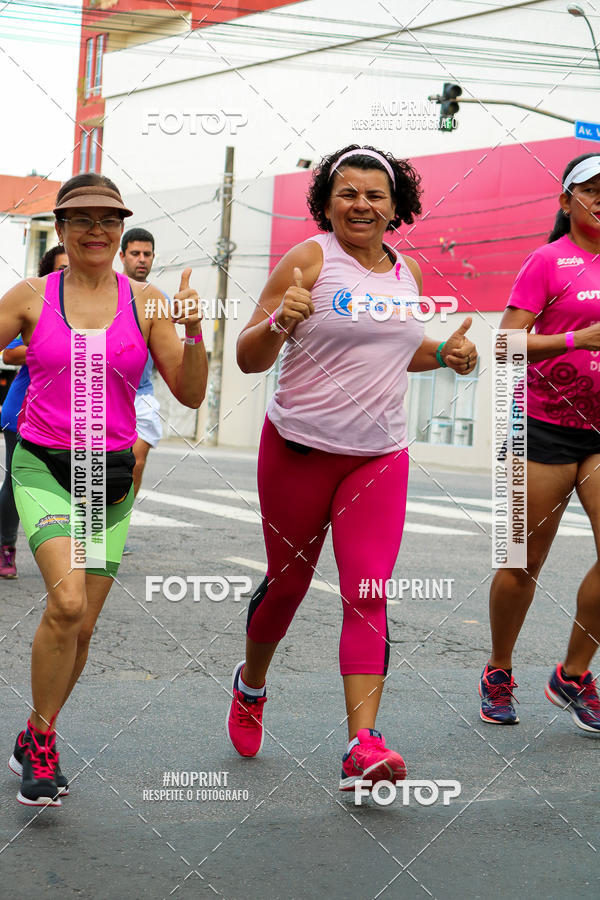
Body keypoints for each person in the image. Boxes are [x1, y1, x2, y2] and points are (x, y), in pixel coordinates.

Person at [227, 144, 478, 791]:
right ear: (328, 202)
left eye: (374, 195)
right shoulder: (309, 260)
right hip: (299, 450)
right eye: (347, 193)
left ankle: (362, 746)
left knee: (368, 591)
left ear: (396, 207)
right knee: (288, 586)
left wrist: (444, 354)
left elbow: (393, 350)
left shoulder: (406, 272)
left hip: (378, 455)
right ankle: (251, 684)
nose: (361, 204)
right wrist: (280, 322)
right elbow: (249, 358)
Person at [1, 172, 207, 807]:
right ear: (61, 229)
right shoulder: (30, 296)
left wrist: (195, 331)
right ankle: (43, 744)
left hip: (107, 476)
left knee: (83, 626)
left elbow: (191, 392)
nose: (97, 230)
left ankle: (37, 732)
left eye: (109, 219)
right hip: (43, 465)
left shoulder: (146, 302)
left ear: (120, 230)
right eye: (83, 219)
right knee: (66, 604)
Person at [479, 152, 600, 733]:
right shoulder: (547, 262)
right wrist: (580, 338)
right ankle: (499, 669)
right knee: (522, 562)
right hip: (540, 427)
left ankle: (574, 675)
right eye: (592, 189)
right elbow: (505, 344)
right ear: (566, 201)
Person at [0, 245, 68, 579]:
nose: (69, 273)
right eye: (61, 268)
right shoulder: (36, 305)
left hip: (72, 415)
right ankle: (5, 546)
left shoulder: (98, 308)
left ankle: (70, 550)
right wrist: (53, 347)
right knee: (17, 483)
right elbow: (10, 355)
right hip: (23, 410)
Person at [119, 228, 163, 502]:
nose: (142, 259)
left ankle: (121, 520)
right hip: (103, 394)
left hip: (142, 394)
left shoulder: (159, 300)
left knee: (136, 461)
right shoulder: (108, 293)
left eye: (147, 254)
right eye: (135, 253)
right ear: (122, 256)